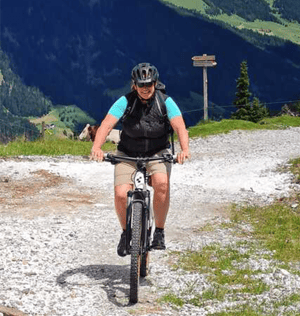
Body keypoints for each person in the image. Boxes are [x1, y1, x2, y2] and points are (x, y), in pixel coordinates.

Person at [90, 62, 190, 257]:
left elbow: (179, 127)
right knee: (121, 194)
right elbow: (106, 125)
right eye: (141, 85)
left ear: (155, 83)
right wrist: (97, 147)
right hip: (128, 153)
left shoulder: (165, 101)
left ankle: (159, 232)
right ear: (134, 85)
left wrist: (184, 150)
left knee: (161, 183)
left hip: (158, 152)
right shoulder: (125, 102)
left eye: (149, 84)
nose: (146, 89)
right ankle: (126, 233)